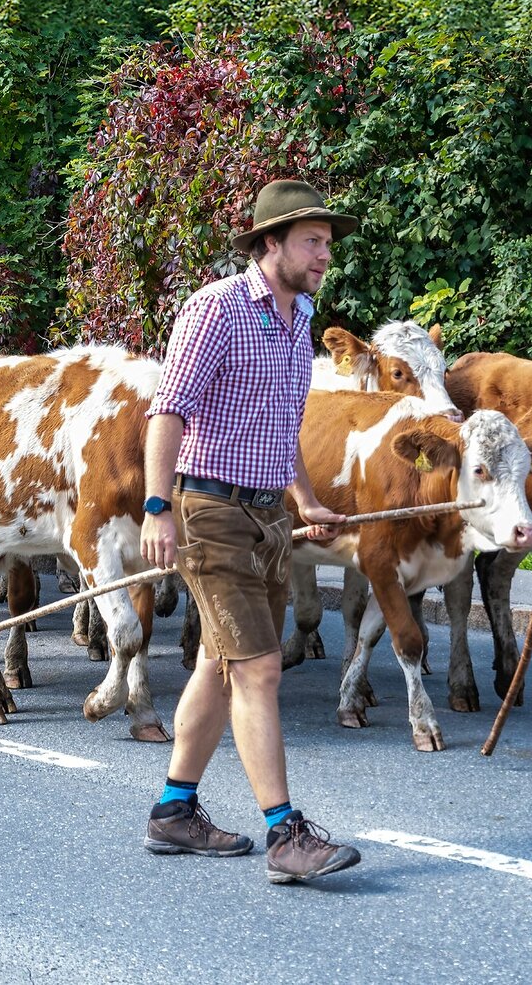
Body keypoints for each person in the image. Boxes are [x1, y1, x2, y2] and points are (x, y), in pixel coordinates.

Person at [138, 180, 360, 883]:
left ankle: (174, 812)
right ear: (271, 244)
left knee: (219, 663)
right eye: (311, 242)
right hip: (210, 511)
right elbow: (167, 412)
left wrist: (307, 499)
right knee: (259, 669)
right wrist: (156, 506)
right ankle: (285, 835)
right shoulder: (217, 310)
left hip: (269, 515)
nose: (325, 254)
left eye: (327, 243)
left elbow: (283, 420)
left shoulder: (301, 318)